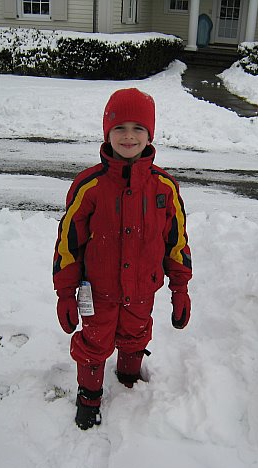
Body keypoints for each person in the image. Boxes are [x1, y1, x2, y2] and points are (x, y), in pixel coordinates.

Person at [52, 88, 193, 430]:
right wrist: (65, 293)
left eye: (137, 128)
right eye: (120, 128)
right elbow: (68, 243)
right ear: (107, 133)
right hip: (98, 291)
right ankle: (89, 396)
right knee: (94, 343)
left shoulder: (164, 187)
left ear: (150, 135)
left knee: (136, 335)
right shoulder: (90, 186)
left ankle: (129, 380)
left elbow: (176, 241)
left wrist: (180, 289)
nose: (129, 136)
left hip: (143, 289)